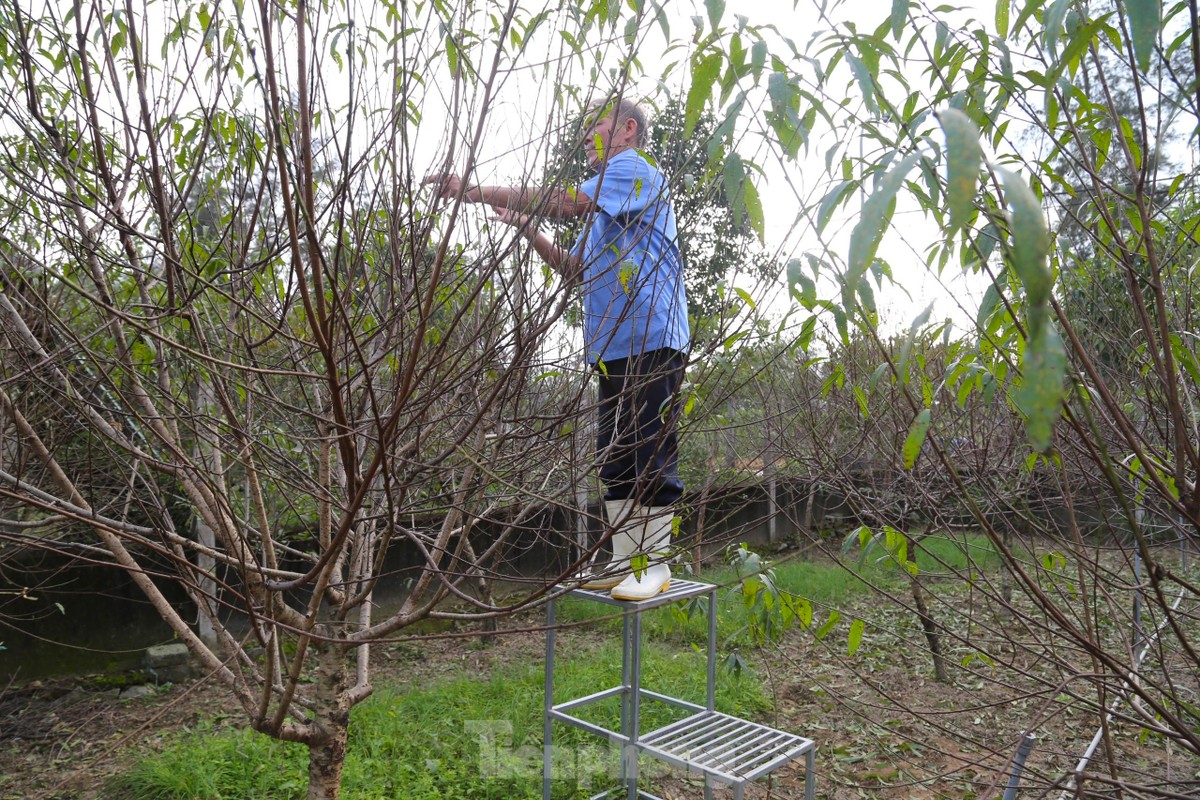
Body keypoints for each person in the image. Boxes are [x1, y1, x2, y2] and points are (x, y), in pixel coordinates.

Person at [424, 97, 689, 601]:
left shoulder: (634, 171)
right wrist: (527, 231)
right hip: (614, 345)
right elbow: (578, 270)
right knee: (614, 455)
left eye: (600, 127)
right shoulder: (610, 212)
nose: (590, 137)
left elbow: (564, 201)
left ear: (628, 131)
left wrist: (472, 191)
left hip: (653, 336)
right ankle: (623, 559)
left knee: (649, 450)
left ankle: (652, 563)